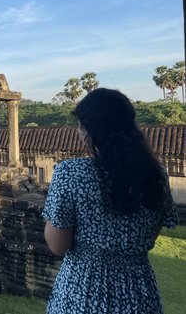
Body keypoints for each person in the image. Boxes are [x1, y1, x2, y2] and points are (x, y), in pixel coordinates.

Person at [42, 88, 179, 313]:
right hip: (139, 292)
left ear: (88, 130)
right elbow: (151, 236)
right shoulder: (156, 174)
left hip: (83, 291)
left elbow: (58, 245)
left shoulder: (72, 174)